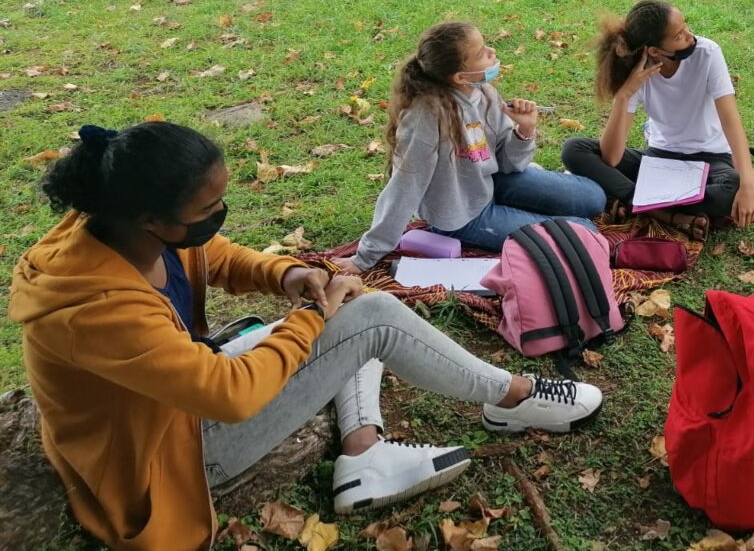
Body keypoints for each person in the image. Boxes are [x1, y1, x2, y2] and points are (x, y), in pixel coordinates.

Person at [9, 121, 604, 551]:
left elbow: (216, 255)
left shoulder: (118, 225)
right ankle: (511, 398)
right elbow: (229, 395)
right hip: (166, 455)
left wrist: (288, 274)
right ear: (153, 219)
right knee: (363, 318)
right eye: (209, 205)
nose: (220, 213)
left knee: (354, 317)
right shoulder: (92, 306)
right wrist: (313, 317)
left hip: (177, 401)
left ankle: (363, 453)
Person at [332, 22, 606, 273]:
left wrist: (524, 131)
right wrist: (364, 257)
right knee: (583, 233)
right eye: (481, 53)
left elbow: (510, 164)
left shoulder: (483, 91)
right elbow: (404, 188)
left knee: (594, 197)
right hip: (462, 215)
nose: (492, 51)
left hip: (491, 182)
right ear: (460, 77)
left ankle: (528, 214)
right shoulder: (425, 119)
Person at [561, 0, 754, 235]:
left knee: (732, 188)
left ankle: (633, 200)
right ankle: (661, 210)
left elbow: (730, 119)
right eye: (679, 36)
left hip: (710, 159)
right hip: (659, 158)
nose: (690, 36)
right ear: (654, 51)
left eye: (686, 26)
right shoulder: (636, 72)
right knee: (574, 149)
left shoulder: (707, 54)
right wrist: (625, 94)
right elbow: (612, 158)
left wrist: (747, 184)